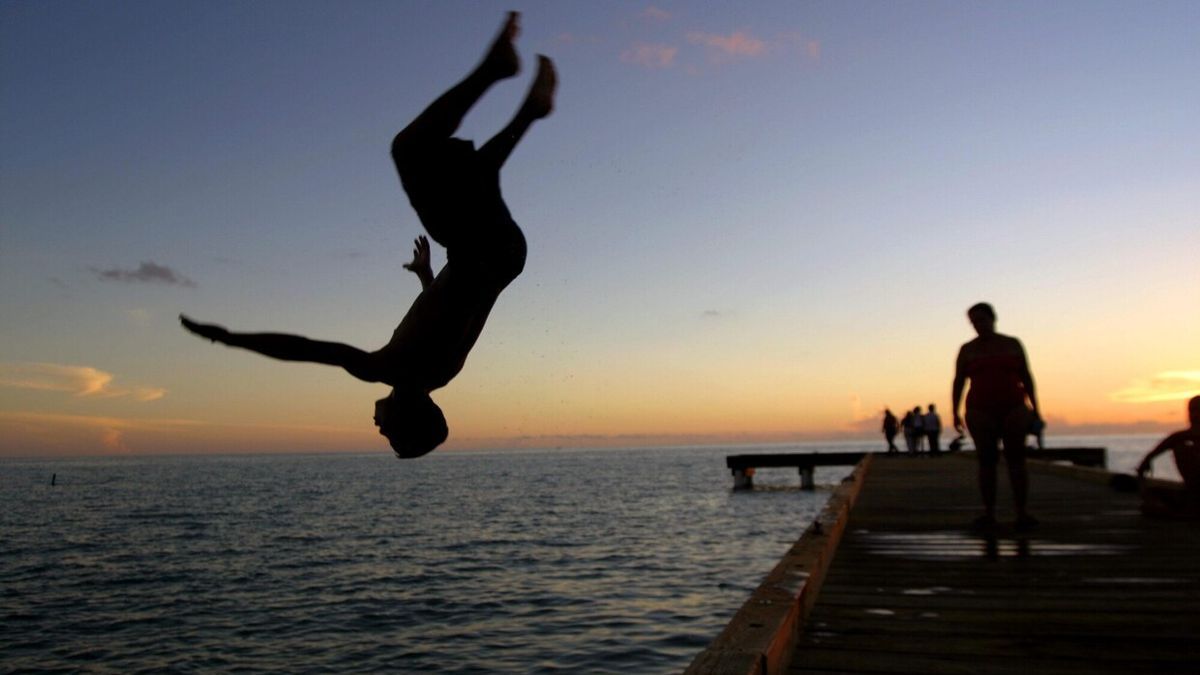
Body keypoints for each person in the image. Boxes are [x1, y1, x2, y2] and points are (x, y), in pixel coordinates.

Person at [181, 13, 557, 459]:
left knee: (475, 174)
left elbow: (453, 308)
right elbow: (307, 350)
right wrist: (227, 339)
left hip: (502, 257)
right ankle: (497, 70)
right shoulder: (391, 367)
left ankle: (530, 108)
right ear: (405, 417)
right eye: (387, 432)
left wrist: (425, 275)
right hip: (480, 252)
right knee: (410, 150)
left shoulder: (440, 373)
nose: (376, 426)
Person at [951, 302, 1042, 530]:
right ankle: (989, 513)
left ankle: (1022, 512)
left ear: (993, 318)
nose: (978, 325)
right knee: (986, 461)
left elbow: (1027, 376)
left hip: (1014, 406)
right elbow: (959, 382)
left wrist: (1036, 409)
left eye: (982, 320)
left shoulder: (1012, 344)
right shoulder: (967, 349)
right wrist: (954, 411)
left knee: (1016, 460)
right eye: (973, 322)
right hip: (980, 409)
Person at [1136, 396, 1200, 519]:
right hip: (1190, 493)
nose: (1195, 415)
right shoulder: (1179, 438)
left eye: (1199, 411)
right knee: (1153, 495)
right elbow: (1146, 461)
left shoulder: (1180, 438)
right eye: (1192, 411)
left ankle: (1188, 511)